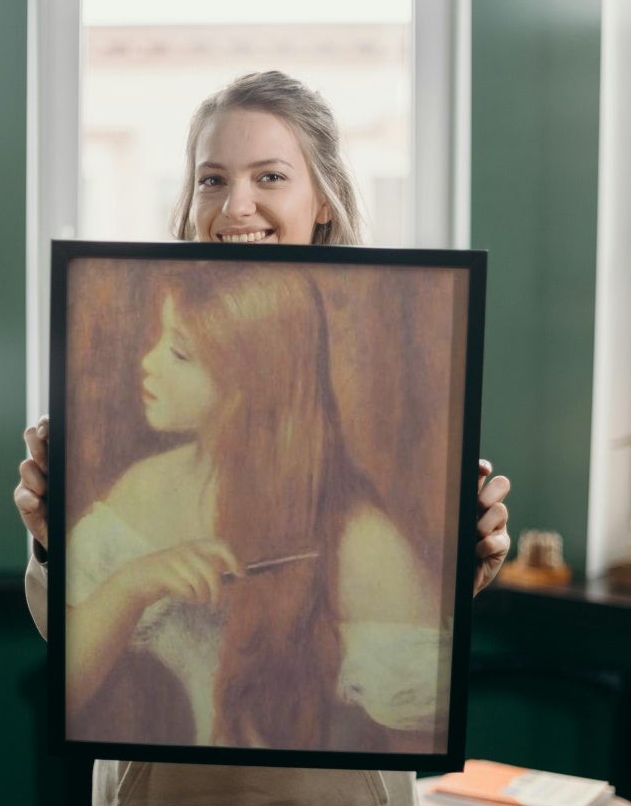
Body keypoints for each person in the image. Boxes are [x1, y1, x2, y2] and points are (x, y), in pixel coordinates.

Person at [15, 71, 511, 806]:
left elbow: (415, 663)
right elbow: (73, 656)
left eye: (268, 177)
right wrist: (55, 543)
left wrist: (465, 558)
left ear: (322, 198)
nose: (233, 203)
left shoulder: (364, 502)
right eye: (210, 177)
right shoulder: (132, 473)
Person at [63, 261, 448, 754]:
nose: (148, 362)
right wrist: (130, 586)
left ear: (249, 382)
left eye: (179, 353)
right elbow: (67, 692)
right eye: (159, 338)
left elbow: (417, 758)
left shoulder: (365, 545)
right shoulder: (143, 487)